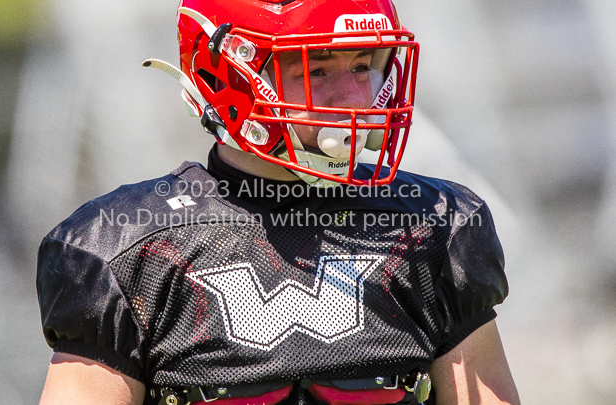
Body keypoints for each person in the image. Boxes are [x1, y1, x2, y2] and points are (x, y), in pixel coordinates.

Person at [36, 0, 520, 404]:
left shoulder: (433, 226)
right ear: (228, 75)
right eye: (316, 68)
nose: (353, 96)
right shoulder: (124, 247)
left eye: (361, 66)